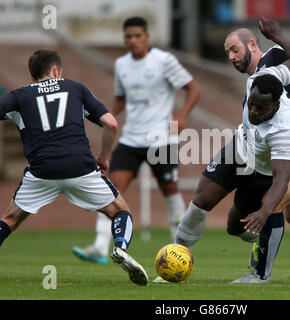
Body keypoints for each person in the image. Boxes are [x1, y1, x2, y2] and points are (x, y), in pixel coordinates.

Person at [175, 18, 290, 284]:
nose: (231, 57)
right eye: (227, 53)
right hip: (271, 150)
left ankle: (261, 274)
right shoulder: (259, 80)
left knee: (272, 203)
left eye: (234, 49)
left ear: (252, 44)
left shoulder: (277, 57)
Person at [0, 50, 148, 285]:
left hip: (42, 171)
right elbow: (111, 123)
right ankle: (120, 248)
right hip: (80, 167)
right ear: (57, 70)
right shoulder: (75, 88)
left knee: (10, 218)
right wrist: (104, 156)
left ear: (32, 74)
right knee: (120, 211)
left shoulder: (18, 96)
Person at [72, 17, 200, 265]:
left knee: (171, 193)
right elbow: (120, 98)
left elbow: (193, 88)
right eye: (128, 37)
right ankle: (100, 247)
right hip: (130, 139)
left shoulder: (164, 60)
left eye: (137, 36)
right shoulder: (122, 65)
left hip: (160, 139)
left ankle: (181, 252)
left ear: (146, 37)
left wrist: (182, 116)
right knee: (109, 192)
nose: (132, 41)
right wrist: (106, 115)